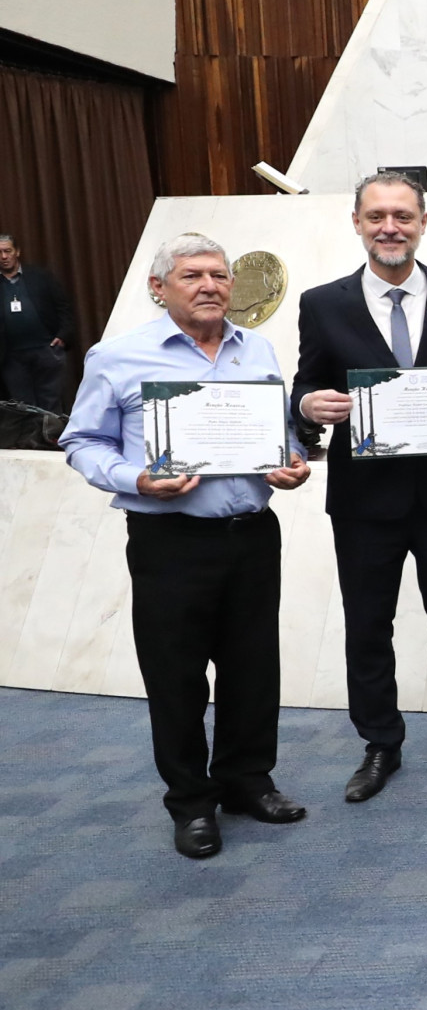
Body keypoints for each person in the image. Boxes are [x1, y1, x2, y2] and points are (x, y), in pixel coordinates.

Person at [59, 234, 313, 859]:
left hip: (252, 535)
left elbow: (278, 436)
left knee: (254, 667)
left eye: (220, 276)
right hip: (169, 540)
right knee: (175, 676)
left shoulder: (256, 349)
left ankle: (248, 780)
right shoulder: (116, 357)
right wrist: (135, 479)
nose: (210, 286)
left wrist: (294, 461)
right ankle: (191, 802)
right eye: (193, 275)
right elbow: (82, 442)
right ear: (159, 288)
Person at [292, 172, 427, 803]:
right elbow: (306, 383)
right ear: (356, 223)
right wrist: (311, 405)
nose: (391, 227)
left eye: (403, 216)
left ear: (423, 223)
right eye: (378, 216)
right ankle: (381, 742)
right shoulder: (322, 302)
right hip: (364, 500)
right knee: (368, 625)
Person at [0, 232, 75, 410]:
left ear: (17, 252)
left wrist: (63, 336)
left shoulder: (40, 276)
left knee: (51, 403)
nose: (3, 257)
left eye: (7, 251)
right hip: (11, 357)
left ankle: (53, 438)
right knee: (23, 407)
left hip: (47, 350)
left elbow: (63, 307)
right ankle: (30, 439)